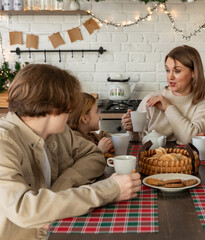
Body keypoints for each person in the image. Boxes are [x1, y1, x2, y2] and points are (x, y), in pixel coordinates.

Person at [0, 64, 141, 239]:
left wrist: (64, 183)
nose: (71, 111)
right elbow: (24, 209)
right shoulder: (4, 142)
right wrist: (108, 189)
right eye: (69, 105)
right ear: (54, 106)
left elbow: (94, 155)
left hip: (58, 228)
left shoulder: (58, 131)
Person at [121, 45, 205, 145]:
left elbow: (190, 140)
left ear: (193, 72)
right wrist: (131, 129)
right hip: (152, 158)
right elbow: (138, 139)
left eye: (177, 71)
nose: (170, 76)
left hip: (189, 159)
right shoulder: (151, 100)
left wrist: (168, 107)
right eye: (167, 70)